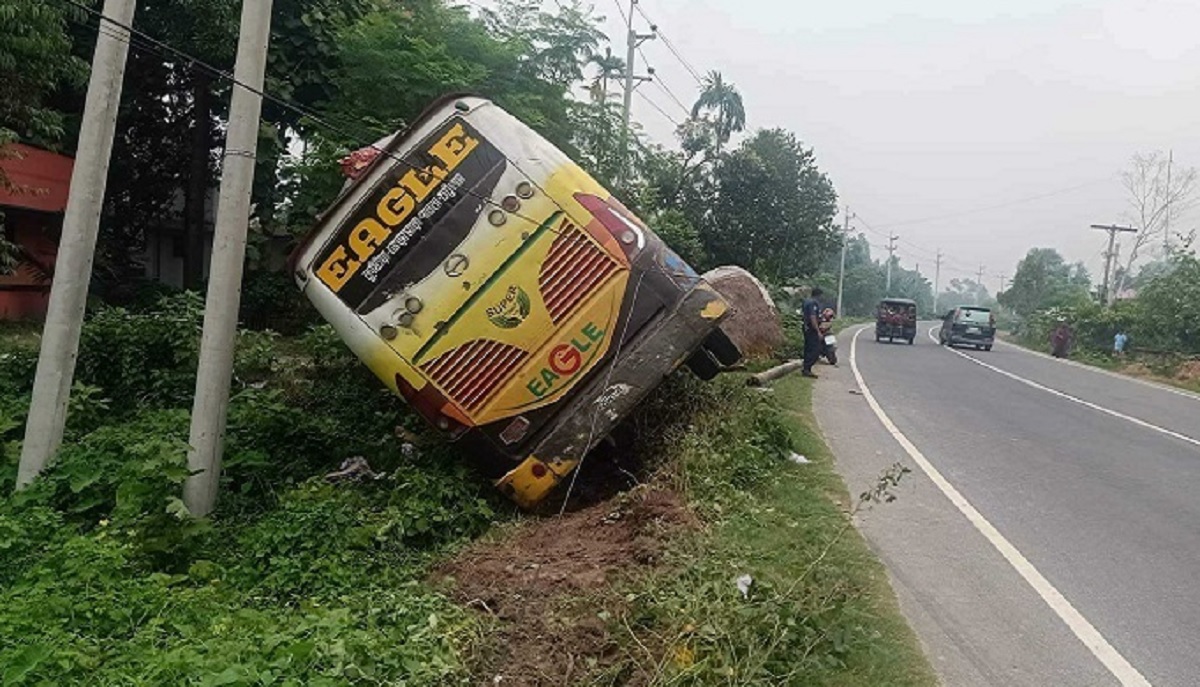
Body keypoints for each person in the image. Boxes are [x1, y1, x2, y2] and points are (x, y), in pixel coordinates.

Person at [801, 287, 824, 378]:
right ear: (819, 295)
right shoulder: (813, 303)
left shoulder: (806, 301)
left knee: (808, 349)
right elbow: (812, 317)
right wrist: (818, 331)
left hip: (806, 328)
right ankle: (807, 369)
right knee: (815, 350)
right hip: (811, 329)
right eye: (821, 296)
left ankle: (807, 369)